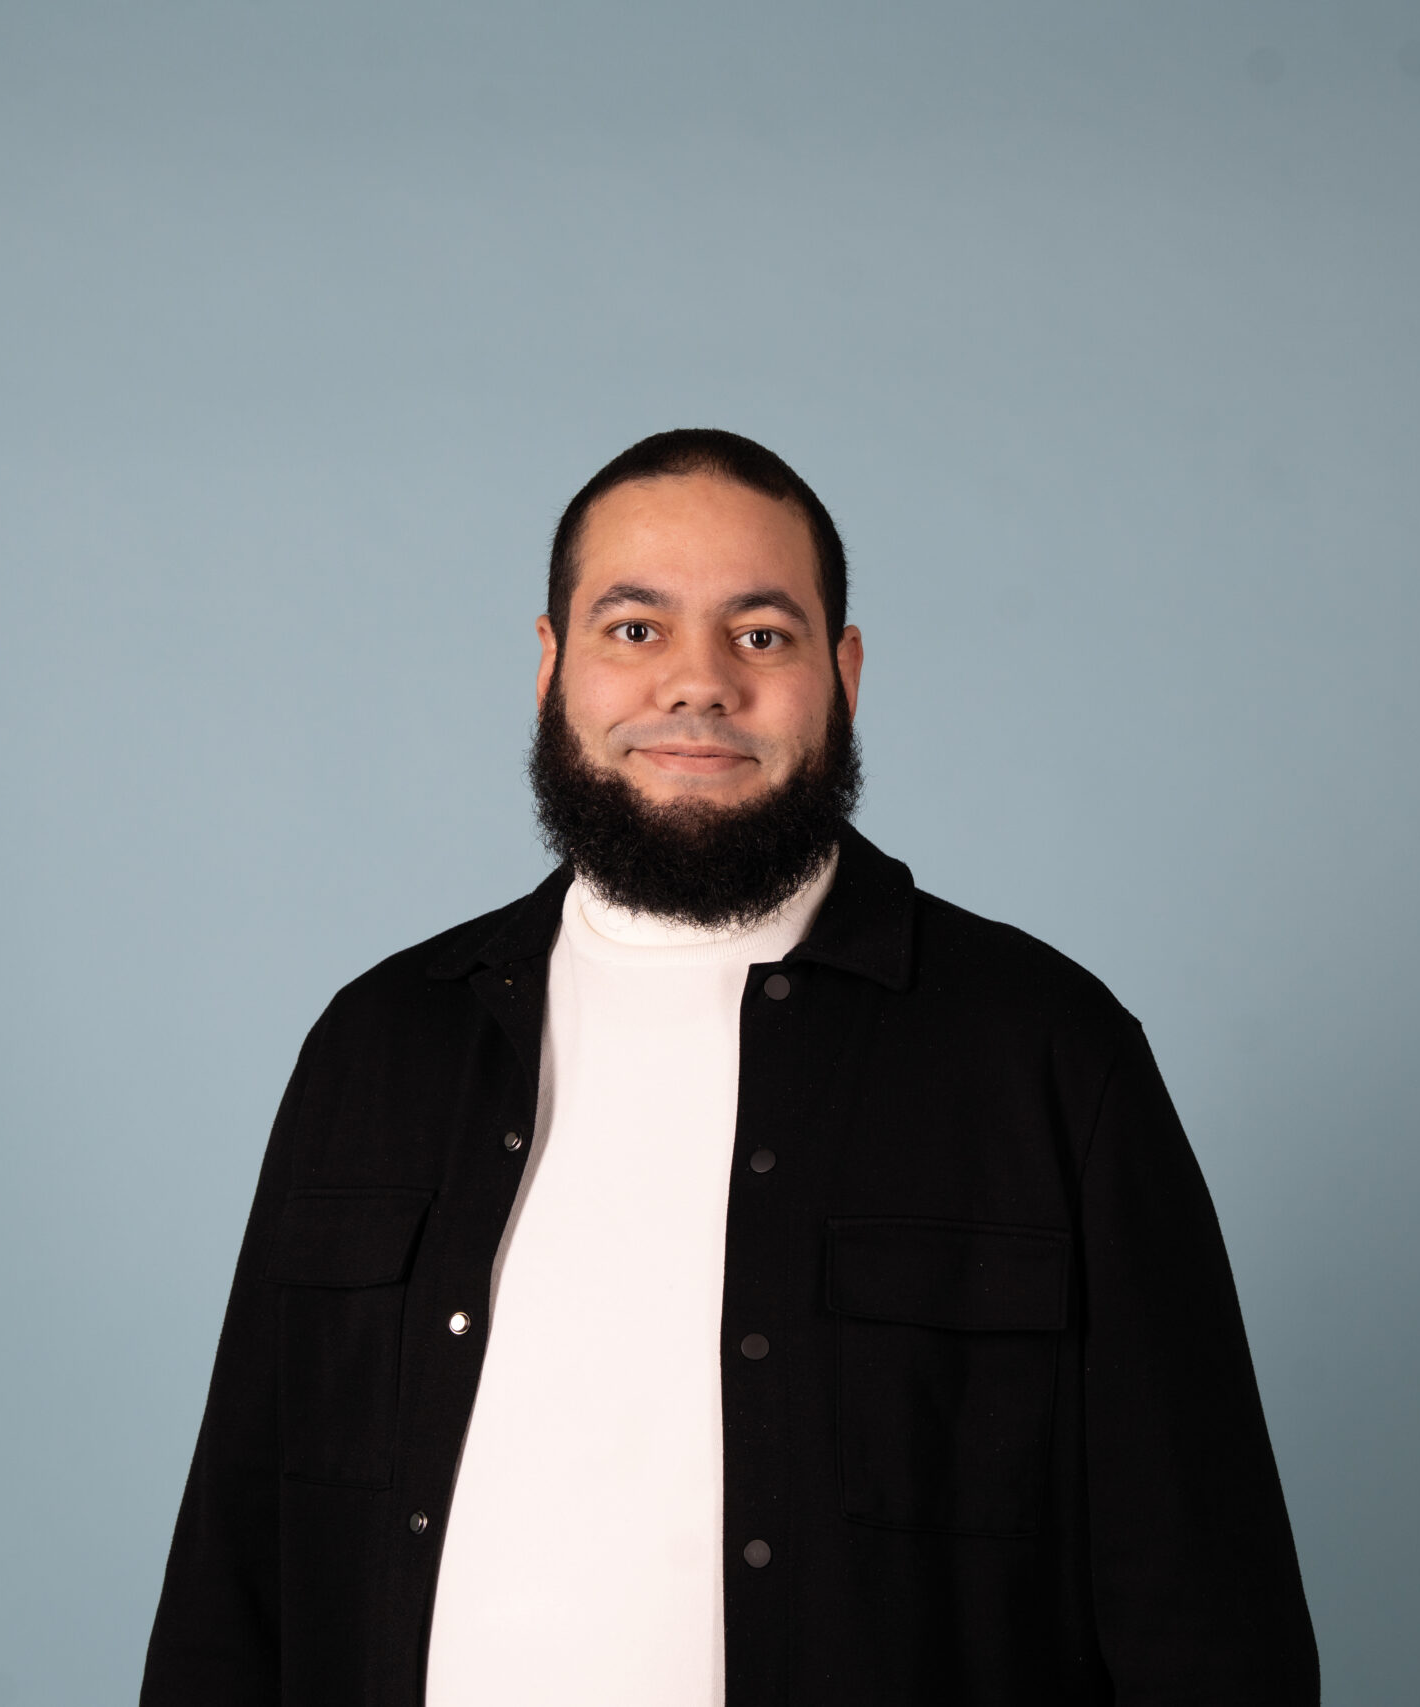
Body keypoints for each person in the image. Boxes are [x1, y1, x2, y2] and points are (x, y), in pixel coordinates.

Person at [140, 429, 1318, 1705]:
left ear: (842, 674)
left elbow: (1206, 1622)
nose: (697, 683)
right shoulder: (377, 1047)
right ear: (550, 665)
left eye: (760, 634)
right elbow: (233, 1578)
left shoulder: (1046, 1056)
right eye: (635, 629)